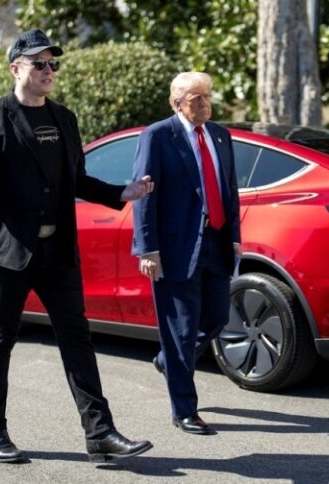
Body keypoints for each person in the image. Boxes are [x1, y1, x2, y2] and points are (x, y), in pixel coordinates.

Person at [0, 28, 154, 464]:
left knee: (77, 337)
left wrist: (122, 192)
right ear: (16, 68)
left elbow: (77, 179)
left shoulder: (64, 118)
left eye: (53, 64)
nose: (49, 71)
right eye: (39, 63)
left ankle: (100, 434)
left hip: (57, 250)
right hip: (10, 250)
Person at [132, 72, 242, 435]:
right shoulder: (158, 135)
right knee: (179, 330)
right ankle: (184, 410)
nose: (204, 104)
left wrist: (236, 237)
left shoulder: (221, 135)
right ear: (176, 102)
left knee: (216, 318)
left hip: (216, 241)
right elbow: (144, 193)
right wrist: (148, 249)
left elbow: (229, 189)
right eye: (196, 98)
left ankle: (169, 361)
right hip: (175, 247)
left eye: (208, 97)